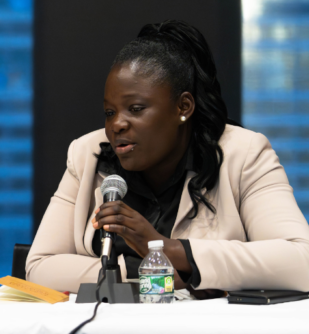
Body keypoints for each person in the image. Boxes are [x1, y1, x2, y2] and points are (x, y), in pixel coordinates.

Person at [26, 20, 309, 297]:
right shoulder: (87, 154)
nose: (117, 125)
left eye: (135, 109)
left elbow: (302, 260)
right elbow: (39, 267)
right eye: (110, 112)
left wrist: (170, 249)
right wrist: (154, 269)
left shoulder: (244, 153)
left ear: (183, 107)